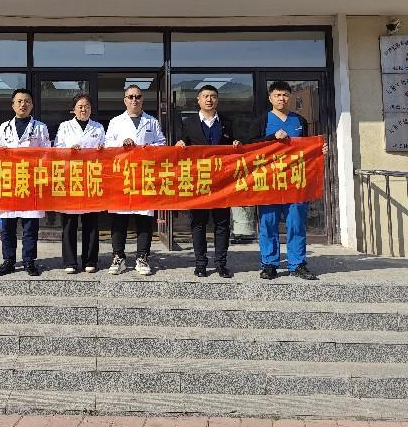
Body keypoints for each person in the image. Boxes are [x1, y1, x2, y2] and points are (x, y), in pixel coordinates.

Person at [250, 80, 328, 281]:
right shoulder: (261, 121)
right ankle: (269, 264)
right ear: (270, 98)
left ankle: (297, 264)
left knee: (296, 224)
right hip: (269, 181)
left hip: (295, 181)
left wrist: (318, 151)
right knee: (268, 223)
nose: (281, 99)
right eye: (277, 95)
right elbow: (250, 149)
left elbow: (307, 148)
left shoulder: (300, 121)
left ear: (290, 97)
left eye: (285, 95)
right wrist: (271, 138)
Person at [175, 84, 241, 278]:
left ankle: (221, 264)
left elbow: (235, 145)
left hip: (222, 182)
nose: (209, 99)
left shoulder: (226, 123)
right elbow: (181, 145)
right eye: (205, 96)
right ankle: (200, 264)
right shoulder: (188, 123)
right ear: (199, 100)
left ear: (217, 100)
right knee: (198, 223)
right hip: (199, 180)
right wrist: (180, 144)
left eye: (213, 96)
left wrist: (236, 144)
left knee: (222, 224)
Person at [104, 84, 167, 276]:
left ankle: (142, 257)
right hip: (122, 176)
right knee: (119, 219)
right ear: (125, 100)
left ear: (142, 99)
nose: (134, 100)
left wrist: (149, 147)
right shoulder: (116, 122)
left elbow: (162, 144)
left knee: (144, 219)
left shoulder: (151, 121)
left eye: (138, 96)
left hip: (144, 175)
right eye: (130, 97)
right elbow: (107, 146)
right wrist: (121, 144)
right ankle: (118, 257)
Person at [0, 88, 51, 277]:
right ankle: (9, 261)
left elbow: (47, 153)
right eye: (19, 101)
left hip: (31, 182)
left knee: (30, 226)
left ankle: (29, 261)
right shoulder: (4, 127)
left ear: (32, 105)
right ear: (13, 105)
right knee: (7, 226)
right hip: (9, 182)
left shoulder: (40, 127)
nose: (23, 104)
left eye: (27, 101)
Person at [54, 93, 106, 274]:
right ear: (74, 109)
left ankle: (90, 260)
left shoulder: (98, 127)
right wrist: (69, 150)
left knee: (91, 221)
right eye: (80, 106)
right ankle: (70, 261)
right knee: (69, 222)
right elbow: (57, 150)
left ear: (91, 109)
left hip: (91, 177)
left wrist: (101, 150)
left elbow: (106, 149)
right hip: (71, 177)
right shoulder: (65, 126)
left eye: (87, 106)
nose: (84, 109)